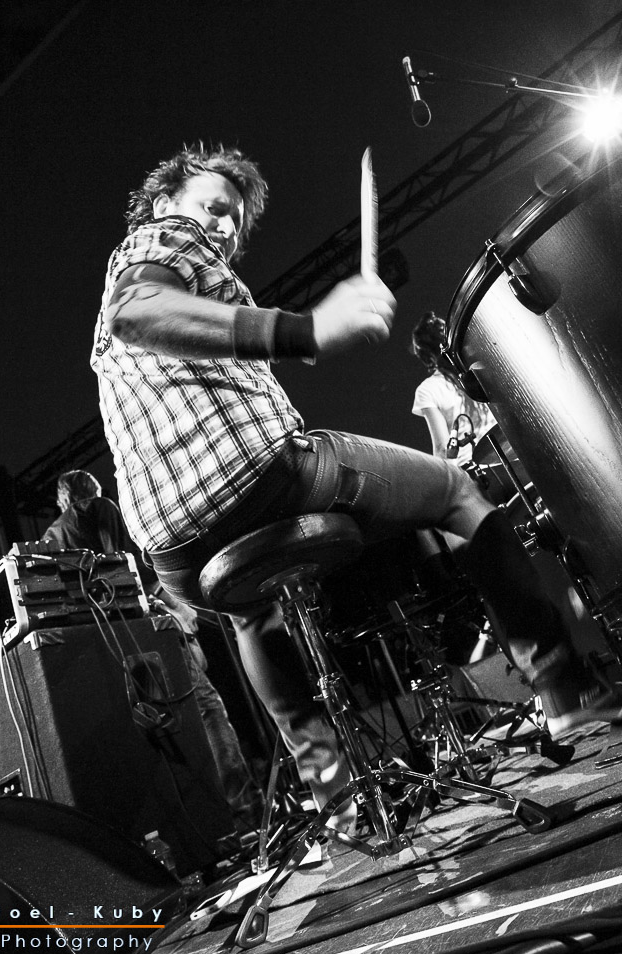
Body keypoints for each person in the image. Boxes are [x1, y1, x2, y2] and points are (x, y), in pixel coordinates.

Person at [90, 144, 621, 836]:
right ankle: (564, 690)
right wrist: (306, 329)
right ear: (166, 203)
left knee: (253, 617)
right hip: (262, 478)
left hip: (173, 552)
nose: (222, 226)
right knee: (459, 494)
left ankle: (337, 798)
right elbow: (137, 309)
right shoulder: (160, 241)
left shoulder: (166, 292)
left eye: (233, 221)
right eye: (213, 207)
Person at [43, 469, 263, 831]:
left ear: (61, 497)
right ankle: (246, 818)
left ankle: (204, 827)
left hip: (103, 650)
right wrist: (178, 607)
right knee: (206, 710)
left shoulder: (52, 536)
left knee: (161, 733)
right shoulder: (100, 508)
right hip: (146, 634)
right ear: (92, 490)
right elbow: (128, 570)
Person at [410, 312, 497, 463]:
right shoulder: (478, 365)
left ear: (426, 356)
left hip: (471, 468)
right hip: (506, 449)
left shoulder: (428, 389)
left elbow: (442, 449)